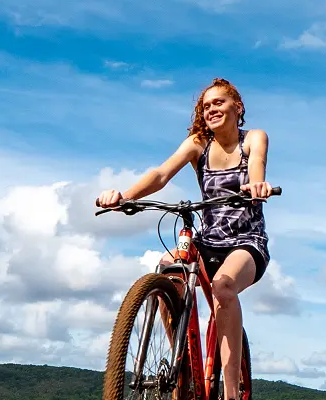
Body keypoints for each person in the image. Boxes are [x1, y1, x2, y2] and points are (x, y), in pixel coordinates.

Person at [97, 78, 272, 400]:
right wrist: (125, 197)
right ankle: (181, 366)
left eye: (218, 103)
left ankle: (230, 392)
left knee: (223, 287)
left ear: (238, 107)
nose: (211, 110)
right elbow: (161, 174)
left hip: (246, 241)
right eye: (205, 106)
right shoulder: (197, 144)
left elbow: (257, 162)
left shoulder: (253, 138)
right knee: (168, 268)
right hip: (208, 239)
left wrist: (257, 185)